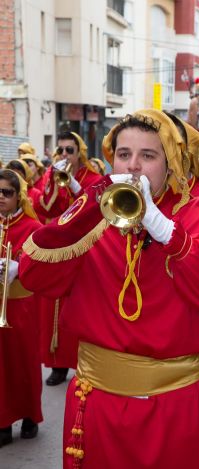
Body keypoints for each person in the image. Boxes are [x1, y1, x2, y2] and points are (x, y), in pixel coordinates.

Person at [18, 110, 199, 469]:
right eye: (124, 155)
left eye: (148, 156)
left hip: (177, 406)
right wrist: (87, 211)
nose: (133, 167)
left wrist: (167, 230)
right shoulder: (94, 215)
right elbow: (35, 276)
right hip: (98, 405)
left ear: (170, 164)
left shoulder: (198, 213)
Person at [38, 132, 102, 387]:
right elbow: (44, 208)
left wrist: (75, 185)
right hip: (59, 248)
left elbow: (96, 208)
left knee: (82, 306)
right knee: (54, 306)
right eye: (61, 150)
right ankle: (58, 363)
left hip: (85, 249)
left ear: (80, 154)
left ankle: (82, 362)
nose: (65, 155)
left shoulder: (94, 178)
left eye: (70, 151)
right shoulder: (51, 176)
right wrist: (53, 181)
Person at [0, 169, 42, 448]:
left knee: (24, 361)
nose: (0, 198)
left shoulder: (32, 227)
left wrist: (20, 265)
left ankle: (29, 415)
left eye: (6, 192)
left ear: (19, 196)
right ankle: (3, 421)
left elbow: (41, 262)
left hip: (22, 303)